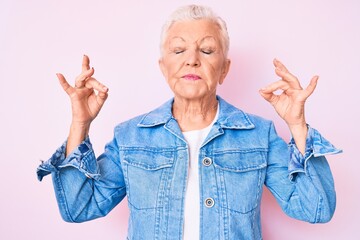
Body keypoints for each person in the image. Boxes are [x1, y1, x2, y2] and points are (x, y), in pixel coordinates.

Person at [37, 4, 341, 240]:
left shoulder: (258, 135)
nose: (192, 59)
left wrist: (298, 126)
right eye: (178, 50)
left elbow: (315, 208)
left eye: (207, 50)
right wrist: (80, 124)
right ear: (164, 67)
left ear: (224, 69)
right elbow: (79, 207)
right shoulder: (131, 138)